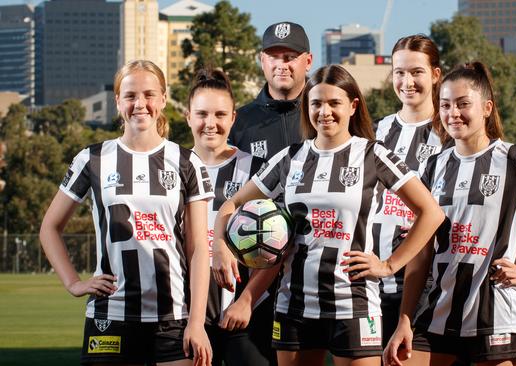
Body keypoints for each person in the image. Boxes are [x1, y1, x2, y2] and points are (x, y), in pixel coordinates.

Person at [213, 64, 445, 366]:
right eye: (316, 103)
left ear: (352, 106)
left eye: (334, 103)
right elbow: (230, 205)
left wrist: (389, 265)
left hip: (355, 305)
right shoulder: (291, 158)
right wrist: (220, 244)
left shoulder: (373, 155)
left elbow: (431, 213)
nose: (325, 111)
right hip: (294, 306)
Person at [383, 61, 516, 366]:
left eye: (463, 104)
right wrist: (404, 319)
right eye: (445, 105)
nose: (453, 113)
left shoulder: (513, 159)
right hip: (438, 312)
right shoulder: (434, 165)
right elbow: (421, 252)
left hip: (496, 316)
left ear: (486, 108)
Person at [39, 60, 213, 366]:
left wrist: (197, 322)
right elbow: (49, 227)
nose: (140, 104)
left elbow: (198, 249)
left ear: (162, 98)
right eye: (131, 95)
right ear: (118, 101)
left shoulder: (187, 162)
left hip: (172, 317)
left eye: (149, 94)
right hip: (111, 314)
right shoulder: (91, 159)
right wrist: (74, 283)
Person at [184, 68, 273, 365]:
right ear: (188, 116)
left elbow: (281, 246)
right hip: (184, 314)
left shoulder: (258, 170)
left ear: (233, 118)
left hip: (245, 316)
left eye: (220, 115)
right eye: (202, 114)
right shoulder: (170, 168)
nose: (211, 124)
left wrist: (247, 300)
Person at [372, 34, 443, 348]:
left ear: (436, 75)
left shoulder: (452, 132)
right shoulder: (374, 132)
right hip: (373, 285)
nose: (407, 81)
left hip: (432, 289)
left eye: (417, 72)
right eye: (399, 72)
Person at [228, 21, 313, 159]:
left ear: (308, 61)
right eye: (273, 57)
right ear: (262, 61)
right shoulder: (238, 122)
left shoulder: (326, 116)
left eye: (290, 57)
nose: (282, 66)